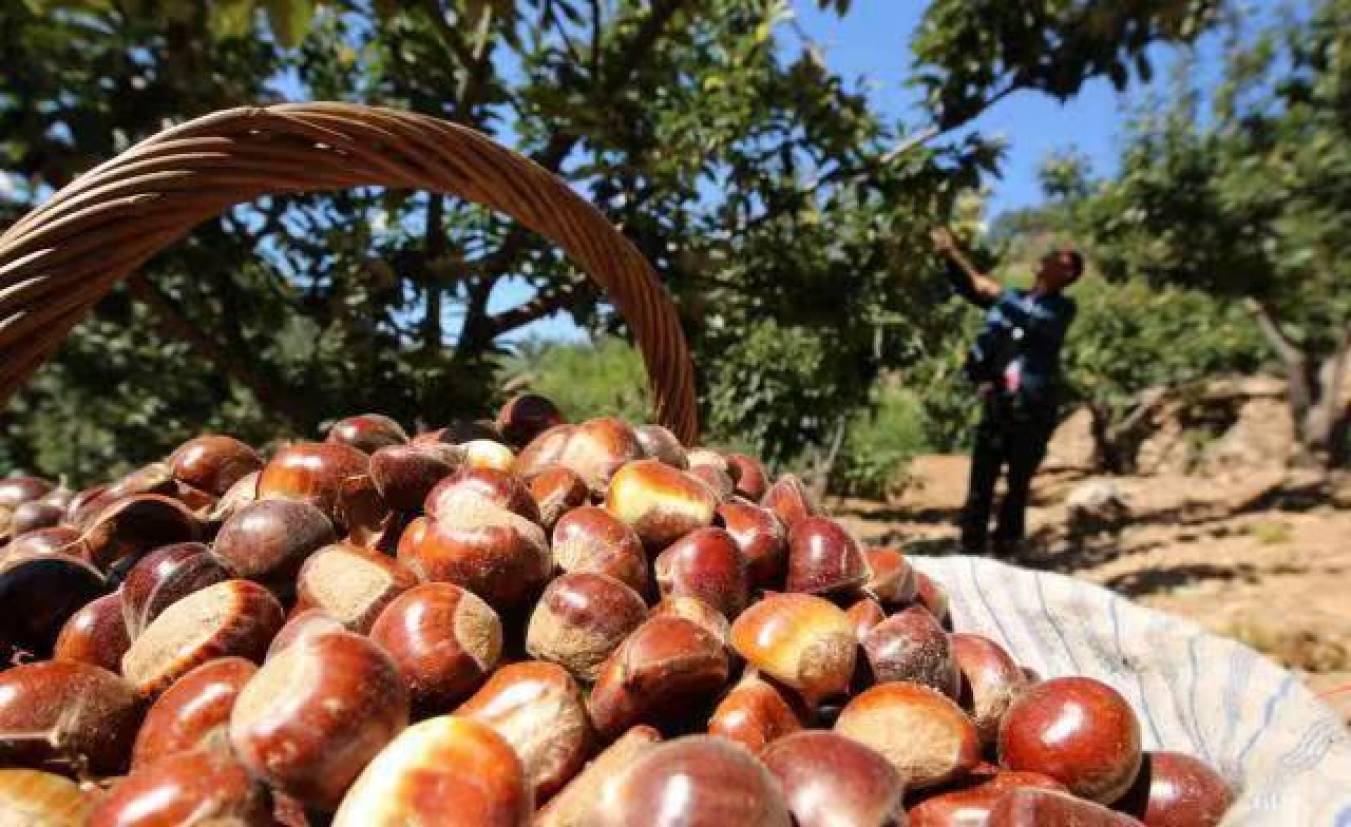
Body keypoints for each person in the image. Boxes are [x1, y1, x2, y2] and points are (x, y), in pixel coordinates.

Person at [930, 227, 1083, 556]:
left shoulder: (1061, 309)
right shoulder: (1013, 298)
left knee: (1018, 482)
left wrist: (994, 291)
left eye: (1057, 260)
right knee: (981, 479)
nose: (1046, 260)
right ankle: (971, 547)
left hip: (1032, 406)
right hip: (997, 400)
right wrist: (951, 258)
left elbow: (1028, 316)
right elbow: (974, 289)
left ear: (1068, 274)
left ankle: (1007, 547)